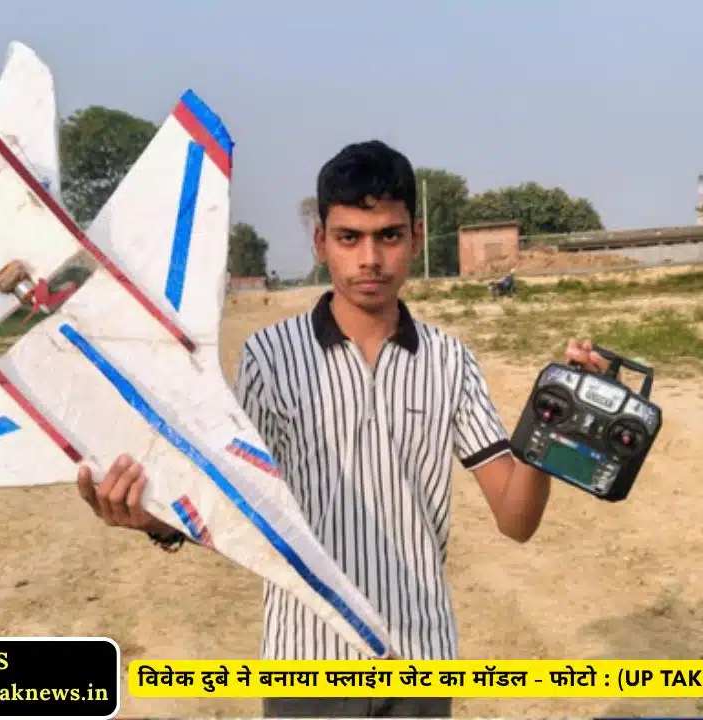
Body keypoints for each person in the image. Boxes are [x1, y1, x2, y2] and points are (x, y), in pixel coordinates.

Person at [75, 140, 607, 718]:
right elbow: (234, 502)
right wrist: (156, 519)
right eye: (349, 237)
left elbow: (516, 520)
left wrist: (552, 422)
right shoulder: (270, 358)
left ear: (416, 237)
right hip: (307, 665)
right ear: (321, 242)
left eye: (388, 236)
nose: (369, 259)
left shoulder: (450, 361)